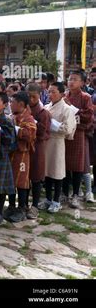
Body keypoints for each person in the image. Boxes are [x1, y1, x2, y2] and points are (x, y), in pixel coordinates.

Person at [40, 82, 77, 213]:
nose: (50, 94)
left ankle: (56, 201)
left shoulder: (67, 109)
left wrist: (51, 123)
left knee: (57, 172)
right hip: (47, 142)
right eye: (49, 91)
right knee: (47, 172)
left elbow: (68, 128)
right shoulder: (46, 107)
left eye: (53, 92)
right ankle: (48, 199)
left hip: (57, 142)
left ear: (61, 94)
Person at [63, 71, 94, 208]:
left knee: (77, 166)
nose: (71, 82)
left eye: (75, 79)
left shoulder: (86, 97)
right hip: (64, 133)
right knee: (64, 165)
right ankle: (64, 193)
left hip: (78, 134)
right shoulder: (64, 96)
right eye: (69, 79)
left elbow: (88, 116)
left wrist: (72, 108)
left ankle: (76, 194)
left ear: (82, 83)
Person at [6, 92, 37, 223]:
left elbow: (30, 134)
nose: (10, 104)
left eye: (12, 102)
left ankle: (22, 208)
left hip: (22, 154)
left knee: (22, 182)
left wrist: (14, 128)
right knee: (11, 181)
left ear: (21, 104)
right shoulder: (11, 116)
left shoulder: (29, 118)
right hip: (10, 153)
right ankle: (11, 206)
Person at [0, 92, 16, 224]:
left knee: (1, 185)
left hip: (2, 155)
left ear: (5, 105)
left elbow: (11, 141)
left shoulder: (7, 120)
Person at [27, 83, 51, 219]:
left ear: (39, 96)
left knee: (36, 177)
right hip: (24, 148)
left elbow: (44, 133)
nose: (31, 100)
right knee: (24, 177)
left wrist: (33, 121)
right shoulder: (22, 109)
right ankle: (23, 204)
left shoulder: (43, 113)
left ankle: (35, 206)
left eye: (34, 97)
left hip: (38, 148)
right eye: (28, 97)